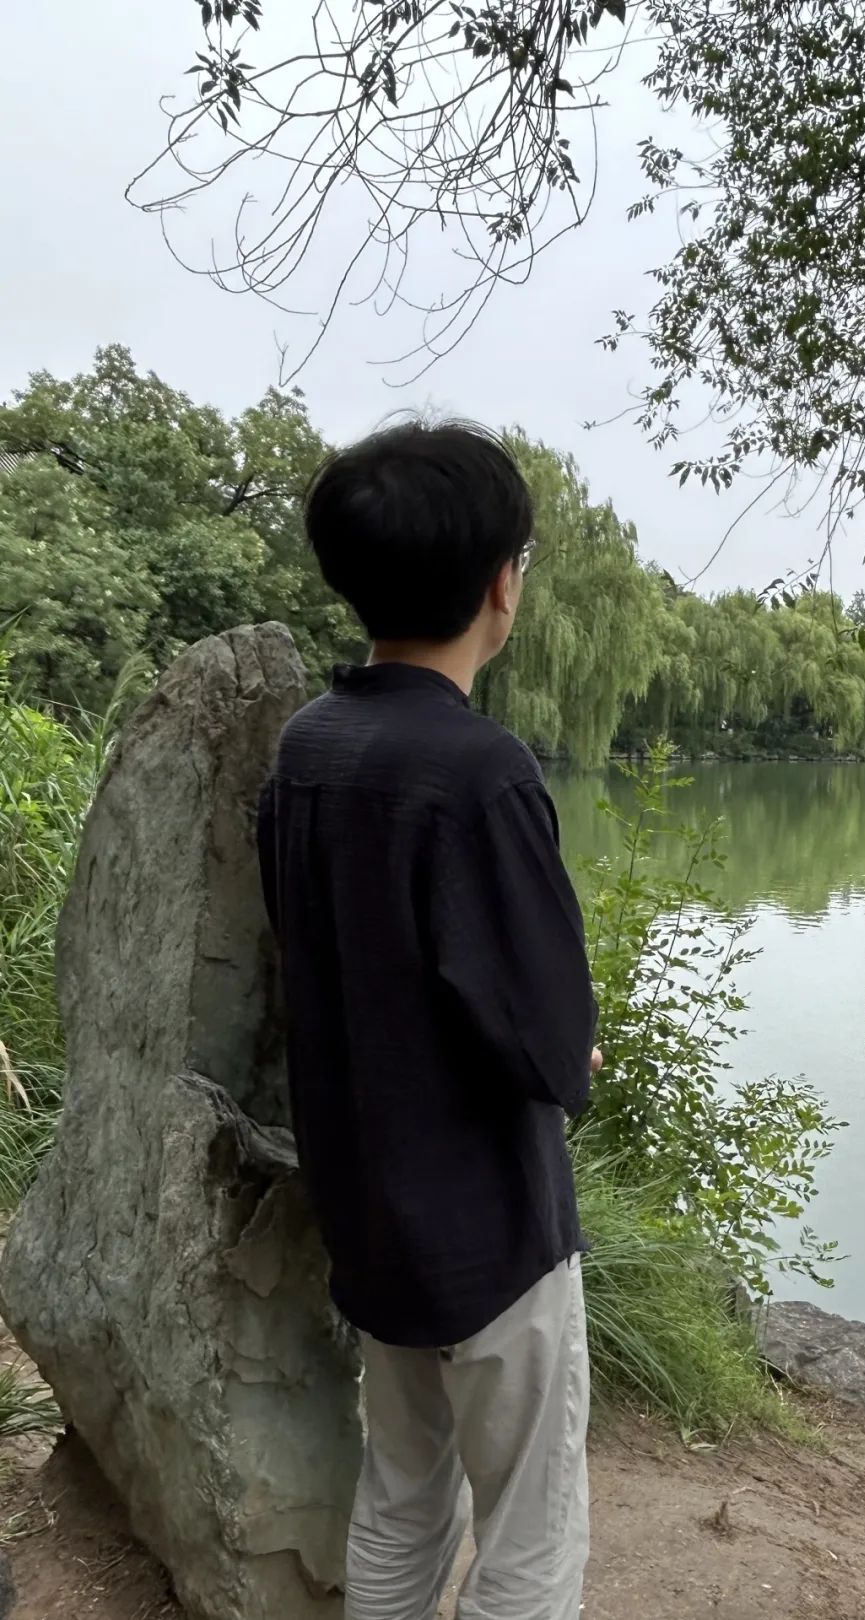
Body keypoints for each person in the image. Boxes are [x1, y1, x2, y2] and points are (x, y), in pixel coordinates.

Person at [257, 419, 600, 1620]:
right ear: (504, 584)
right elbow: (547, 1039)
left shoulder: (308, 745)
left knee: (401, 1493)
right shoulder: (479, 770)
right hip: (492, 1227)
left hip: (368, 1208)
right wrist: (573, 1051)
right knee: (530, 1528)